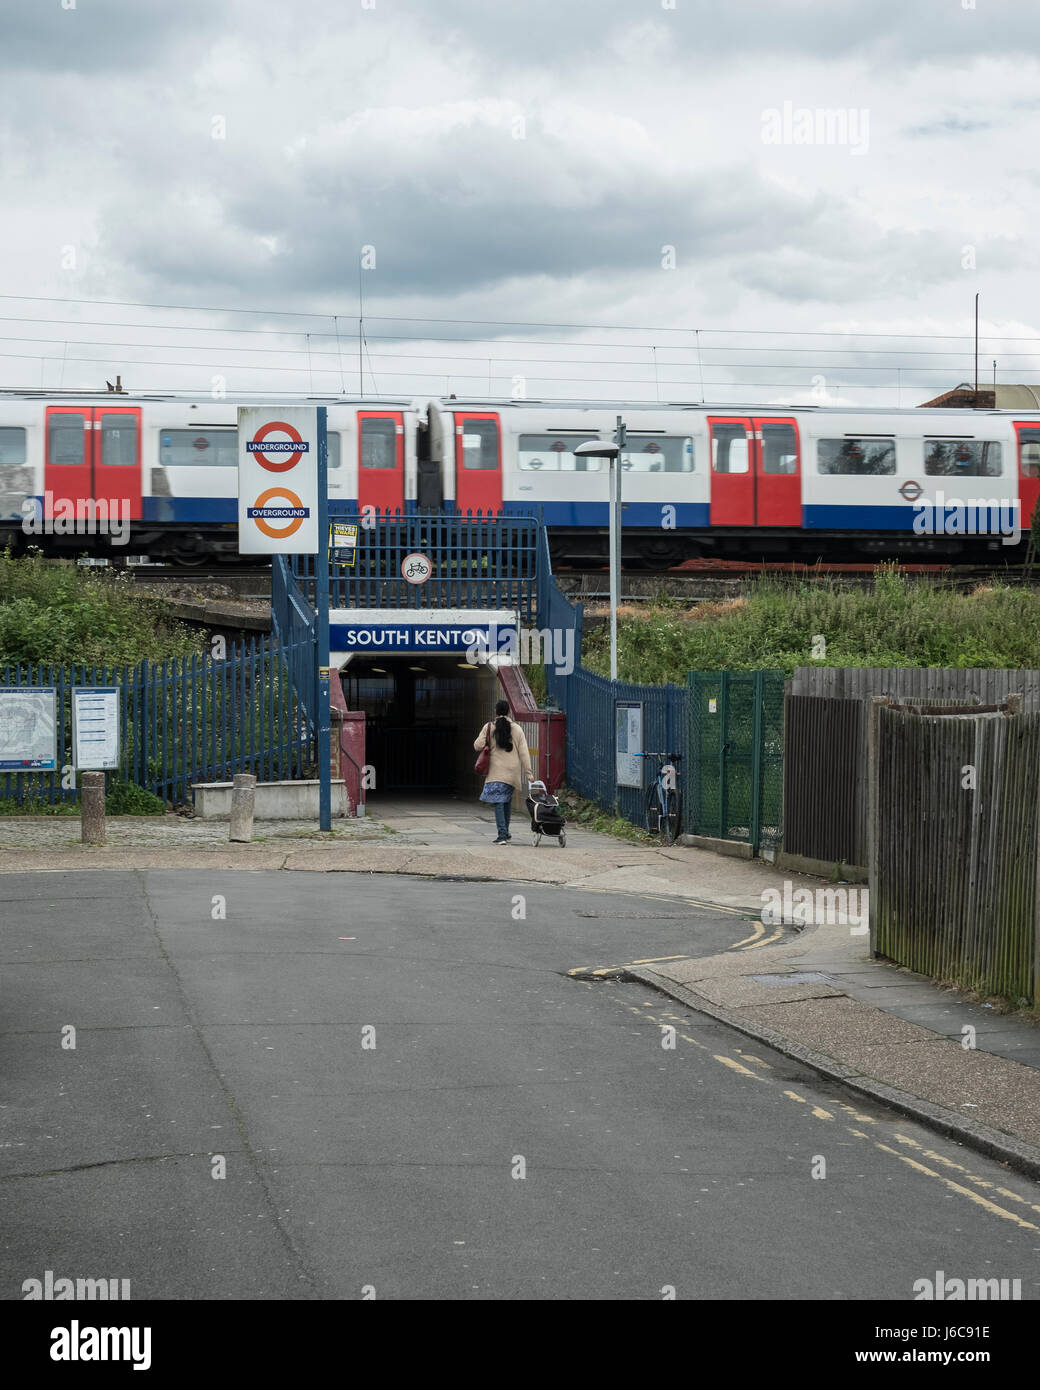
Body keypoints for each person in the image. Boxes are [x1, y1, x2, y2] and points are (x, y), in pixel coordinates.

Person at [474, 699, 532, 845]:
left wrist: (487, 740)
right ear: (509, 712)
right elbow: (524, 752)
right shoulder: (517, 729)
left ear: (495, 711)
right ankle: (505, 832)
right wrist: (529, 773)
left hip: (497, 771)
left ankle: (502, 835)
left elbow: (477, 745)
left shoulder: (489, 727)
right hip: (512, 772)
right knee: (505, 800)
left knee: (499, 802)